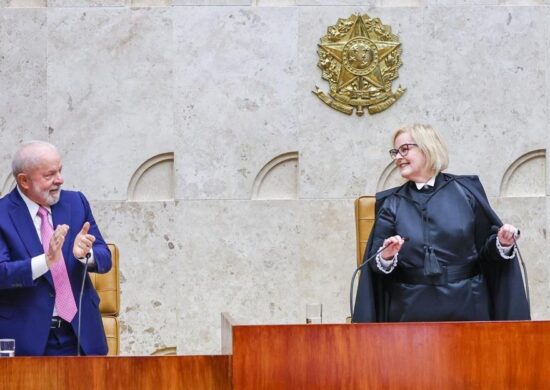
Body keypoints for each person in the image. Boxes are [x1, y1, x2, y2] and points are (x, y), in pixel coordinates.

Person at [352, 124, 530, 323]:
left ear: (427, 148)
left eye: (404, 149)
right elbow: (375, 265)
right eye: (395, 152)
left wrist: (503, 243)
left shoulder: (467, 192)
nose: (397, 157)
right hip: (410, 311)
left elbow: (486, 255)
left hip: (469, 306)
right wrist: (385, 256)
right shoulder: (392, 203)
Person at [0, 141, 112, 355]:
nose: (59, 180)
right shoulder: (2, 214)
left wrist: (85, 255)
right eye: (49, 175)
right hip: (26, 339)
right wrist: (46, 261)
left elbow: (104, 257)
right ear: (24, 180)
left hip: (80, 334)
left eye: (59, 171)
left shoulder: (76, 202)